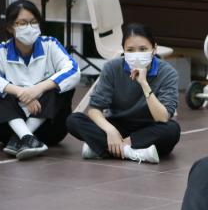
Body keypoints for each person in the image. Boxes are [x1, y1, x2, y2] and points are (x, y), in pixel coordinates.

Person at [0, 0, 79, 160]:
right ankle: (26, 136)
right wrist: (20, 92)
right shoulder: (0, 51)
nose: (29, 27)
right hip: (10, 128)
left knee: (62, 85)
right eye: (22, 23)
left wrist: (37, 89)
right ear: (10, 27)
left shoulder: (50, 45)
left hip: (49, 128)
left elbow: (73, 71)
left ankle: (23, 138)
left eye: (33, 22)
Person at [66, 23, 180, 163]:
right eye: (130, 50)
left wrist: (144, 83)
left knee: (172, 130)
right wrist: (111, 131)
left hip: (149, 129)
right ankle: (132, 152)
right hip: (118, 126)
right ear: (123, 50)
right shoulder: (112, 68)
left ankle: (105, 148)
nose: (136, 54)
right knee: (74, 120)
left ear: (154, 49)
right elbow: (95, 109)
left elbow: (162, 117)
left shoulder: (168, 73)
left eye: (143, 49)